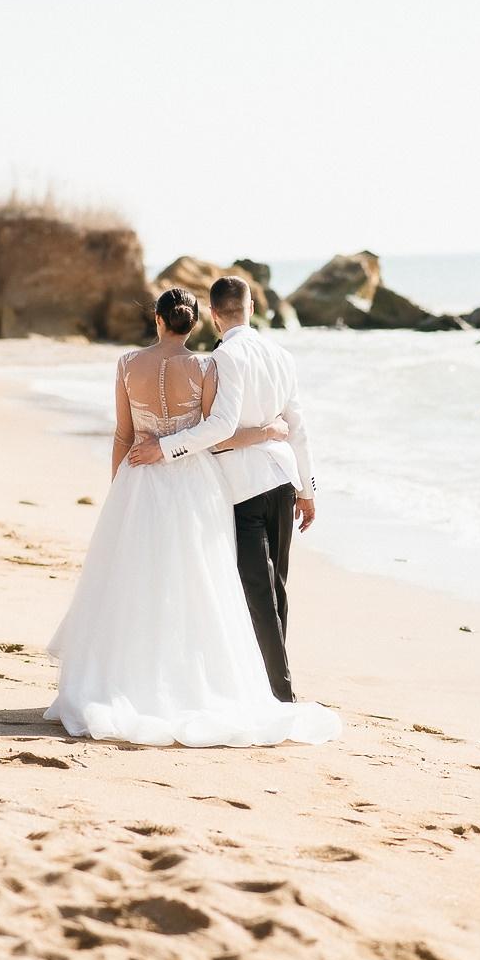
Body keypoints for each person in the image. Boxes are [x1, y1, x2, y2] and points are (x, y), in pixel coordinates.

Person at [44, 286, 341, 748]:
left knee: (142, 582)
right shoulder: (217, 365)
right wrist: (299, 474)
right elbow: (233, 432)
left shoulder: (131, 364)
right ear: (200, 321)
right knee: (210, 586)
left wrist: (121, 488)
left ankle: (141, 679)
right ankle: (262, 687)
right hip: (227, 484)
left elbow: (126, 435)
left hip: (150, 480)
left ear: (159, 319)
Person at [129, 276, 314, 703]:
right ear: (251, 308)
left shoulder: (224, 357)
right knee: (276, 589)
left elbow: (220, 429)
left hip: (243, 488)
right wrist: (308, 489)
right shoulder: (282, 355)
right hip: (284, 482)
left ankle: (278, 693)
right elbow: (298, 426)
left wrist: (164, 448)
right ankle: (272, 683)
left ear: (213, 315)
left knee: (258, 594)